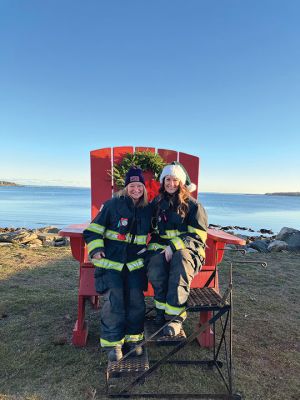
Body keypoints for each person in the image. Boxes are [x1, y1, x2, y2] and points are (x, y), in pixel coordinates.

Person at [83, 167, 152, 362]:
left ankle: (134, 340)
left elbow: (159, 230)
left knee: (136, 302)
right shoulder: (112, 205)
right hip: (111, 264)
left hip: (135, 266)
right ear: (126, 187)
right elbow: (92, 231)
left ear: (144, 188)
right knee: (115, 302)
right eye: (132, 185)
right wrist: (96, 250)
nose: (136, 189)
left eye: (139, 185)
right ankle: (114, 344)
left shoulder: (148, 209)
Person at [147, 161, 208, 337]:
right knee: (156, 264)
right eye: (167, 179)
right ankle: (160, 312)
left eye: (175, 180)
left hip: (189, 253)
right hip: (162, 251)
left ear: (181, 183)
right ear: (163, 181)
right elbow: (145, 224)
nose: (171, 183)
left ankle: (175, 319)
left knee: (180, 259)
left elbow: (198, 237)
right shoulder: (157, 203)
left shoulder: (194, 206)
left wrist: (173, 247)